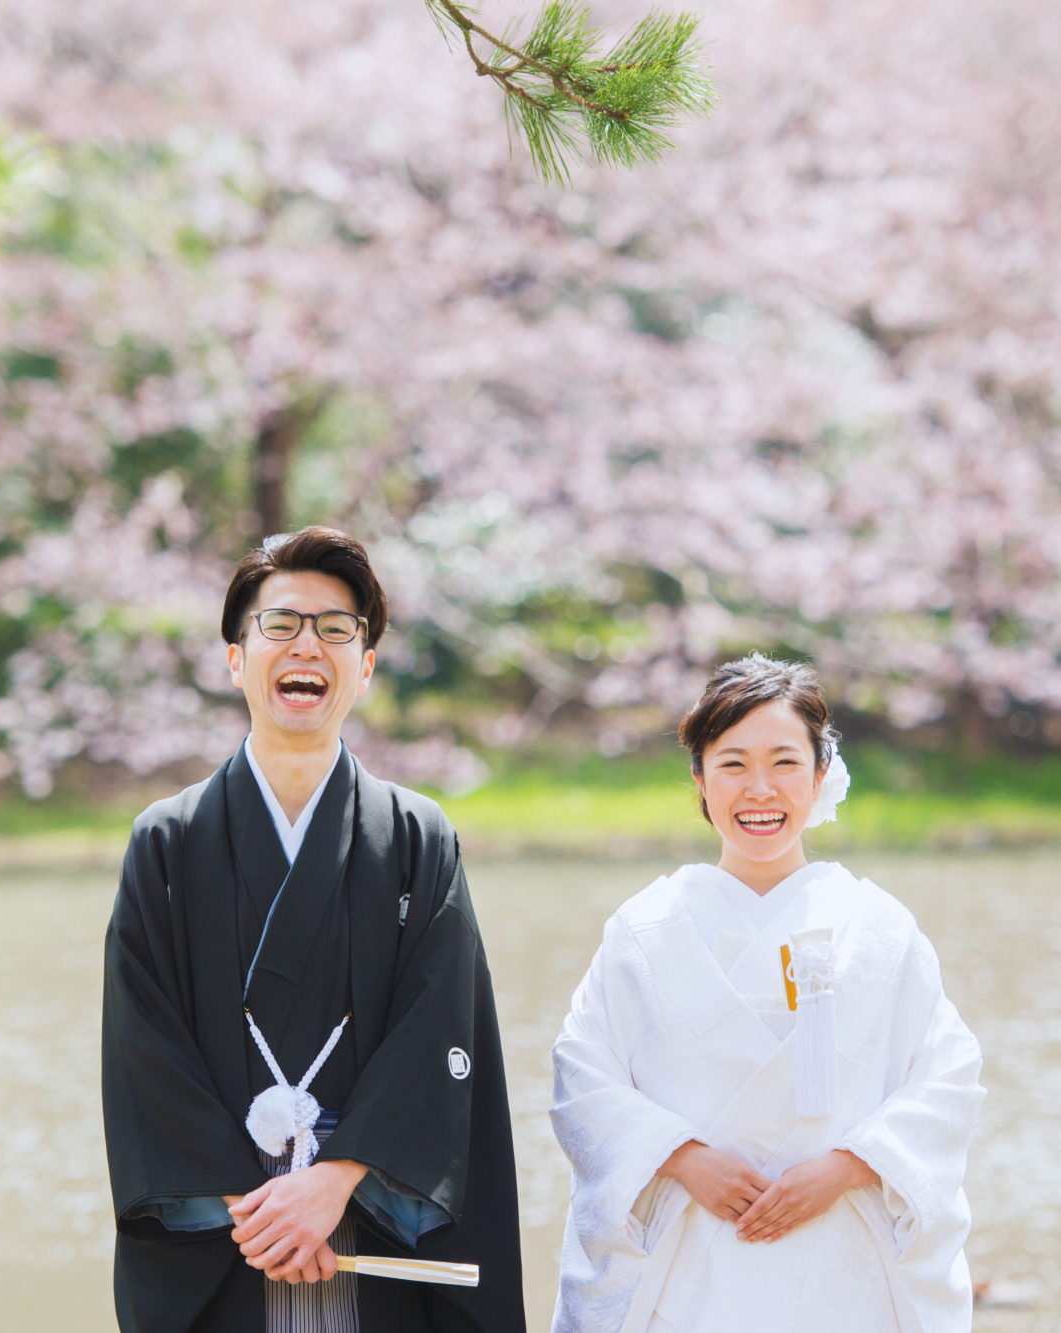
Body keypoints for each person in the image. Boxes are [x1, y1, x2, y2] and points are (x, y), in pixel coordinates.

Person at [102, 526, 524, 1333]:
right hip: (230, 1241)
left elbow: (441, 1031)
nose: (309, 646)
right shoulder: (167, 840)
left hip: (373, 1234)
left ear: (364, 668)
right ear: (235, 657)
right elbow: (141, 1052)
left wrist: (332, 1184)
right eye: (281, 624)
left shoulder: (415, 837)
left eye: (337, 629)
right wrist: (257, 1211)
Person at [549, 655, 984, 1333]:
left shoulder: (881, 931)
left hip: (844, 1259)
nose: (760, 790)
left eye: (784, 762)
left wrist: (849, 1165)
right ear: (699, 777)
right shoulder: (645, 931)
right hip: (690, 1257)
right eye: (732, 764)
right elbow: (582, 1078)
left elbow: (946, 1079)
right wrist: (683, 1158)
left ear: (820, 772)